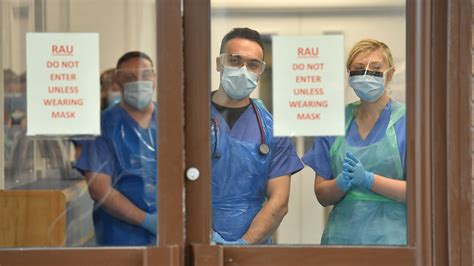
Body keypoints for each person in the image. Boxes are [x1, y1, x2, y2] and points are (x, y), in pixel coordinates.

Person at [302, 39, 406, 245]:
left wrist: (368, 180)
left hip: (393, 240)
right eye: (358, 69)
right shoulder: (335, 122)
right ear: (349, 76)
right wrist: (341, 183)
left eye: (376, 68)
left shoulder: (409, 122)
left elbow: (421, 192)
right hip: (341, 239)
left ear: (390, 74)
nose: (366, 75)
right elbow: (322, 195)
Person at [211, 27, 304, 245]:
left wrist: (244, 244)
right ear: (219, 63)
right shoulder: (189, 119)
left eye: (253, 64)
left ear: (260, 70)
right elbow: (175, 189)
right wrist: (205, 238)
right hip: (197, 242)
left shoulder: (271, 129)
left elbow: (279, 201)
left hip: (254, 246)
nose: (243, 70)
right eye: (235, 60)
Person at [75, 51, 157, 246]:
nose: (139, 82)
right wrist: (148, 221)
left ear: (154, 77)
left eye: (145, 75)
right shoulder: (103, 126)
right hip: (120, 237)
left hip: (171, 234)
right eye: (130, 77)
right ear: (117, 80)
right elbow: (99, 189)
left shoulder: (174, 121)